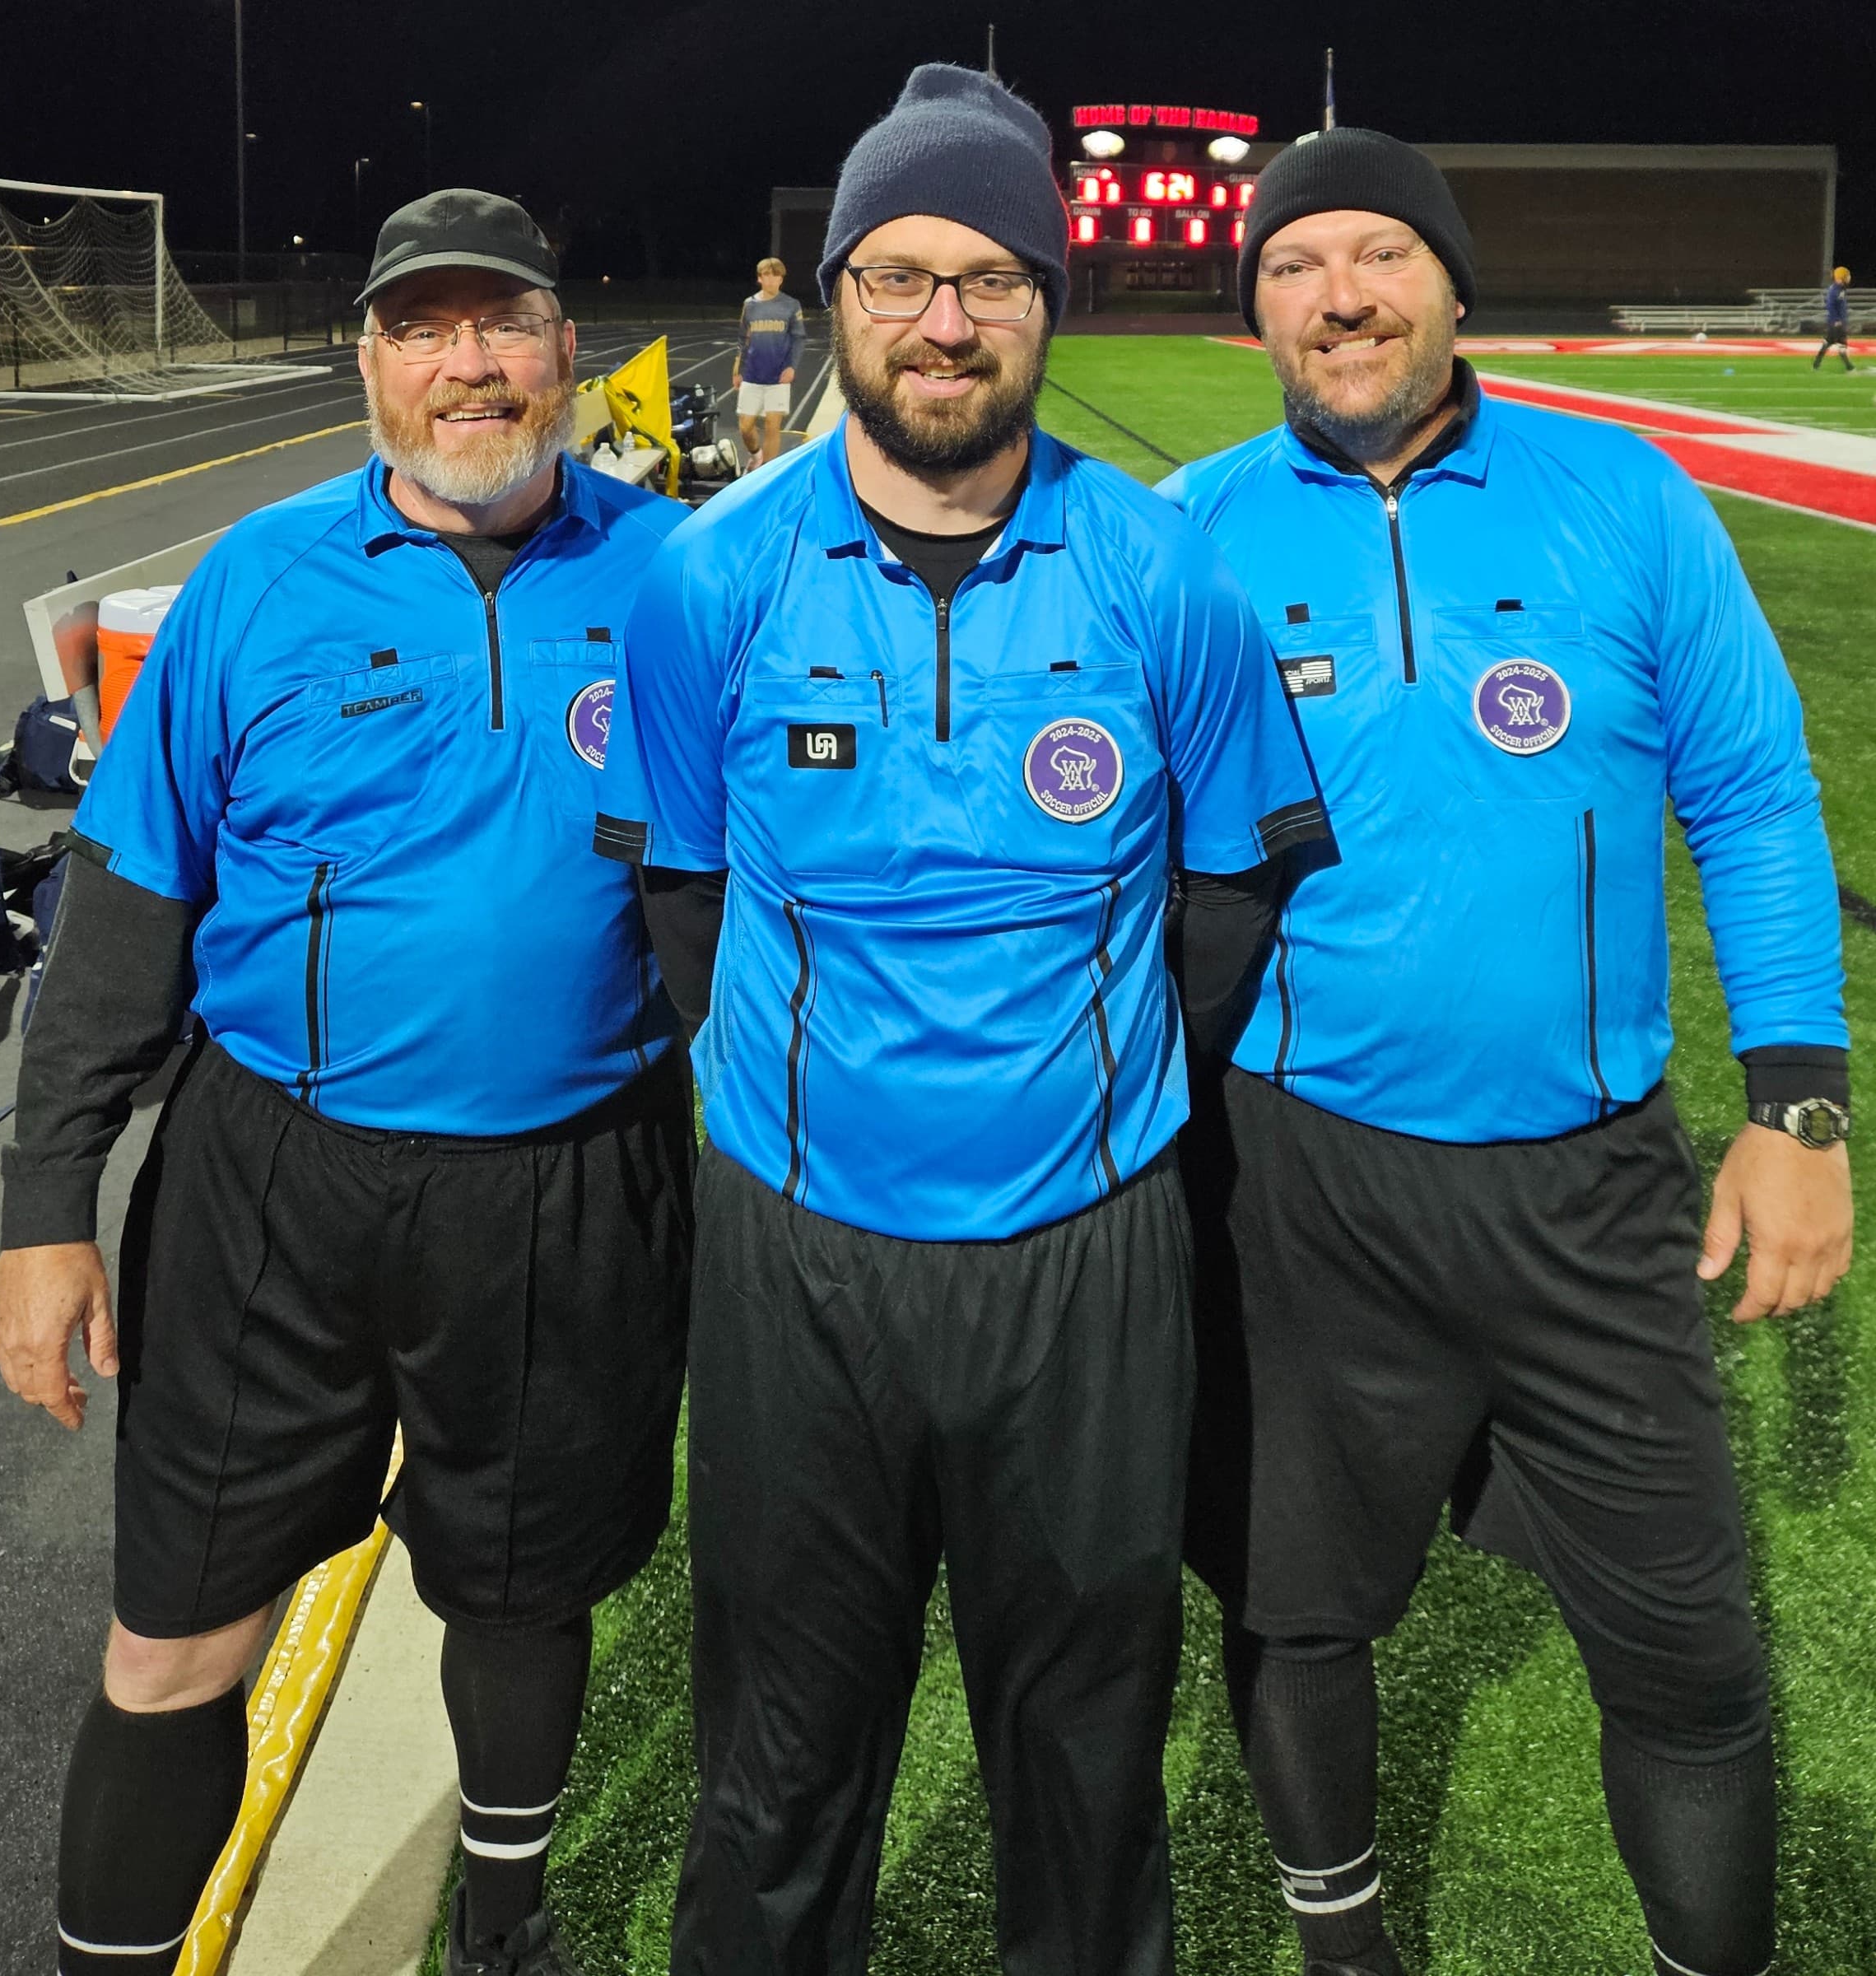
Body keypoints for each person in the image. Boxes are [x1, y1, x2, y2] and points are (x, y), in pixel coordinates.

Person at [594, 63, 1328, 1976]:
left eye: (993, 276)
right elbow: (681, 891)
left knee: (1084, 1756)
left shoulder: (1165, 571)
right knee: (778, 1755)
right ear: (833, 293)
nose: (945, 320)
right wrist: (812, 1096)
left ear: (1046, 301)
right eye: (901, 274)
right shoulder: (709, 575)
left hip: (1088, 1255)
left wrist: (1087, 1097)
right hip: (798, 1250)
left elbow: (1231, 891)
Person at [1159, 129, 1852, 1976]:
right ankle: (1346, 1952)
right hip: (1298, 1180)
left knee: (1690, 1654)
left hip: (1592, 1181)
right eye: (1296, 265)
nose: (1342, 296)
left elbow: (1753, 795)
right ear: (1259, 312)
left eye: (1381, 253)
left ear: (1455, 285)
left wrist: (1798, 1105)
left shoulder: (1621, 496)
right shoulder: (1190, 533)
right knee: (1298, 1610)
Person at [0, 189, 696, 1976]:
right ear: (369, 363)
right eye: (421, 328)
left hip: (571, 1179)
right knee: (174, 1636)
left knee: (522, 1588)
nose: (469, 364)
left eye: (502, 322)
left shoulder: (683, 576)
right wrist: (46, 1210)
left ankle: (503, 1928)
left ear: (566, 351)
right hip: (273, 1186)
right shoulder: (256, 579)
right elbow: (127, 906)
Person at [732, 255, 804, 468]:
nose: (771, 280)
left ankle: (766, 472)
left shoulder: (791, 305)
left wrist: (792, 367)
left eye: (776, 276)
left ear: (781, 279)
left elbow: (799, 339)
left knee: (773, 426)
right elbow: (742, 339)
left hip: (778, 377)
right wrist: (737, 370)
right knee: (745, 427)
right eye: (767, 276)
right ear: (759, 278)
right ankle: (756, 455)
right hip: (752, 375)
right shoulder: (750, 305)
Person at [1813, 264, 1855, 371]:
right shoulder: (1835, 290)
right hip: (1836, 323)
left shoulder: (1840, 289)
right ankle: (1849, 367)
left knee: (1829, 342)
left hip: (1838, 322)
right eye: (1846, 276)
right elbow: (1830, 306)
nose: (1848, 278)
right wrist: (1836, 320)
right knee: (1841, 344)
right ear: (1840, 278)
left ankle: (1816, 364)